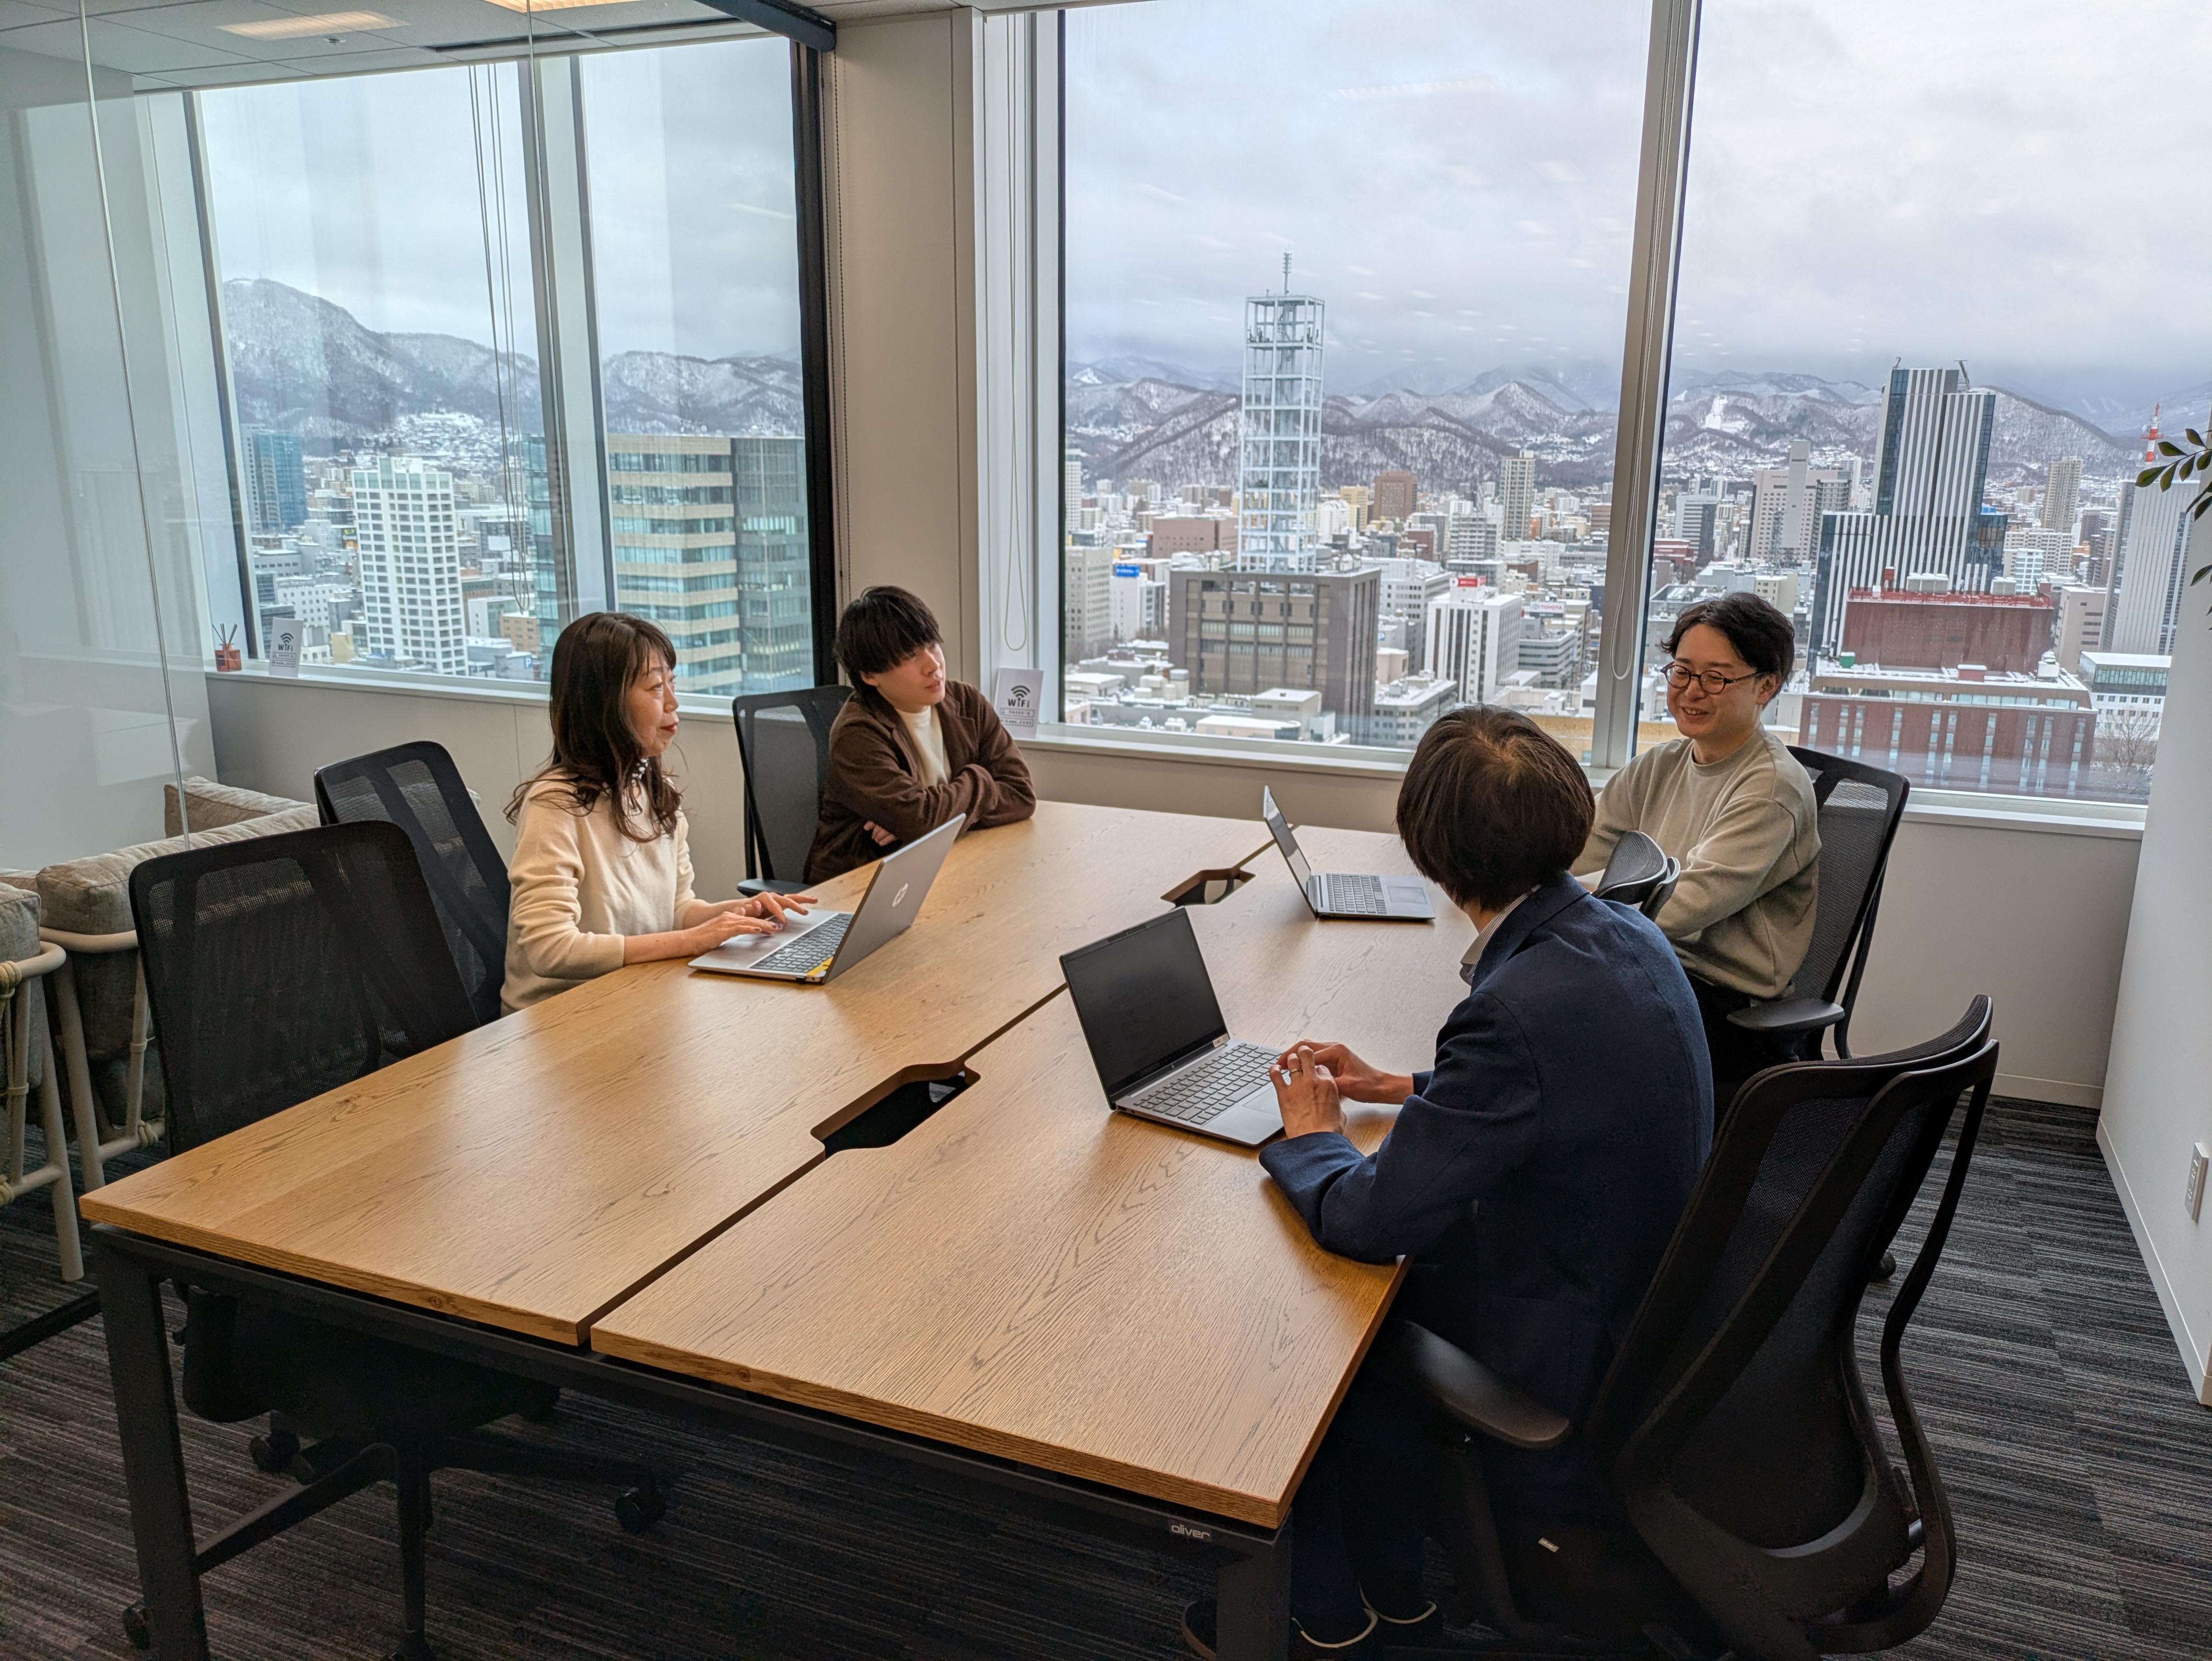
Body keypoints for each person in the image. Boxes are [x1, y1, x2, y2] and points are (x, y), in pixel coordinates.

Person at [1181, 708, 1711, 1661]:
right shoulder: (1618, 934)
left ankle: (1318, 1607)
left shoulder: (1509, 1009)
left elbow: (1365, 1217)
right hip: (1644, 1307)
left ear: (1427, 850)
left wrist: (1310, 1135)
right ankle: (1385, 1582)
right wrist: (1406, 1089)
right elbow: (1562, 1090)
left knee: (1296, 1303)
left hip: (1562, 1356)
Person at [1573, 591, 1820, 1114]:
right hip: (1647, 968)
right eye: (1682, 672)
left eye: (1715, 677)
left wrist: (1557, 911)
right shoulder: (1660, 764)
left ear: (1766, 686)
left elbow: (1680, 907)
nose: (1691, 692)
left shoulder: (1771, 789)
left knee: (1549, 1028)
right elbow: (1572, 851)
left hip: (1721, 1009)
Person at [502, 612, 812, 1014]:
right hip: (560, 1019)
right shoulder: (554, 804)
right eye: (654, 687)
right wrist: (694, 941)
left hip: (634, 998)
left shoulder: (651, 791)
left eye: (672, 683)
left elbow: (678, 910)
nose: (673, 702)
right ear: (605, 705)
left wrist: (737, 914)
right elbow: (550, 950)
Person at [805, 586, 1035, 882]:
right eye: (910, 656)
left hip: (939, 870)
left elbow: (1021, 795)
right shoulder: (858, 734)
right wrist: (982, 779)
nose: (934, 665)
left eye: (932, 644)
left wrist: (930, 818)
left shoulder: (967, 702)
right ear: (870, 676)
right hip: (861, 888)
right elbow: (921, 822)